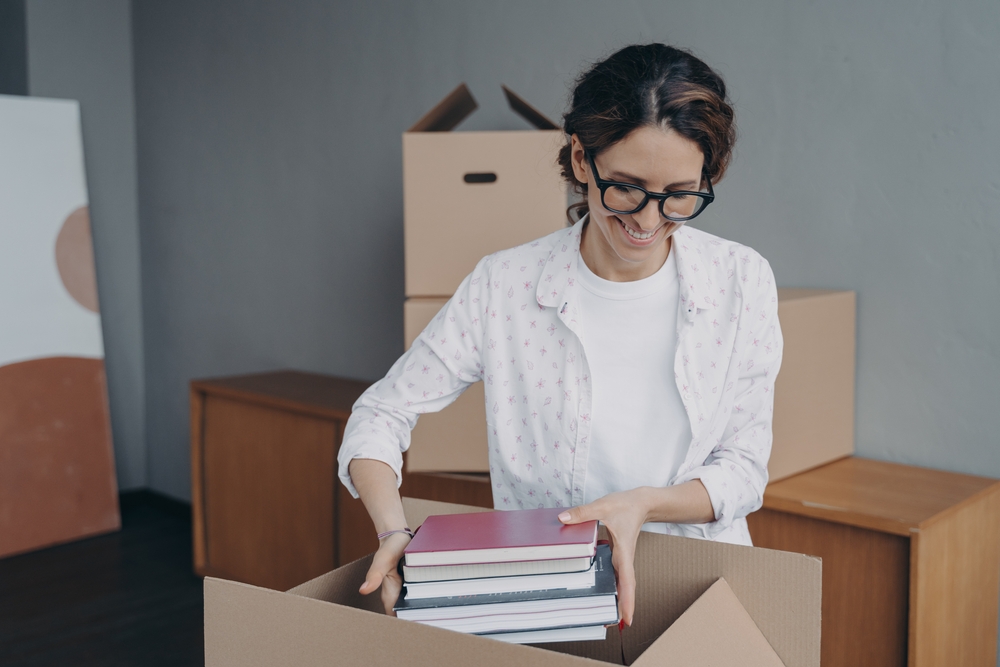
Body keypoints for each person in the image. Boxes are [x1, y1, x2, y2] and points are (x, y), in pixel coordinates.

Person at [337, 43, 783, 628]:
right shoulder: (506, 285)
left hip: (697, 584)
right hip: (548, 588)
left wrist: (644, 505)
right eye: (625, 187)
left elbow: (744, 468)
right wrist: (394, 529)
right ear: (580, 160)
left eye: (679, 195)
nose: (648, 221)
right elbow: (380, 414)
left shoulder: (740, 279)